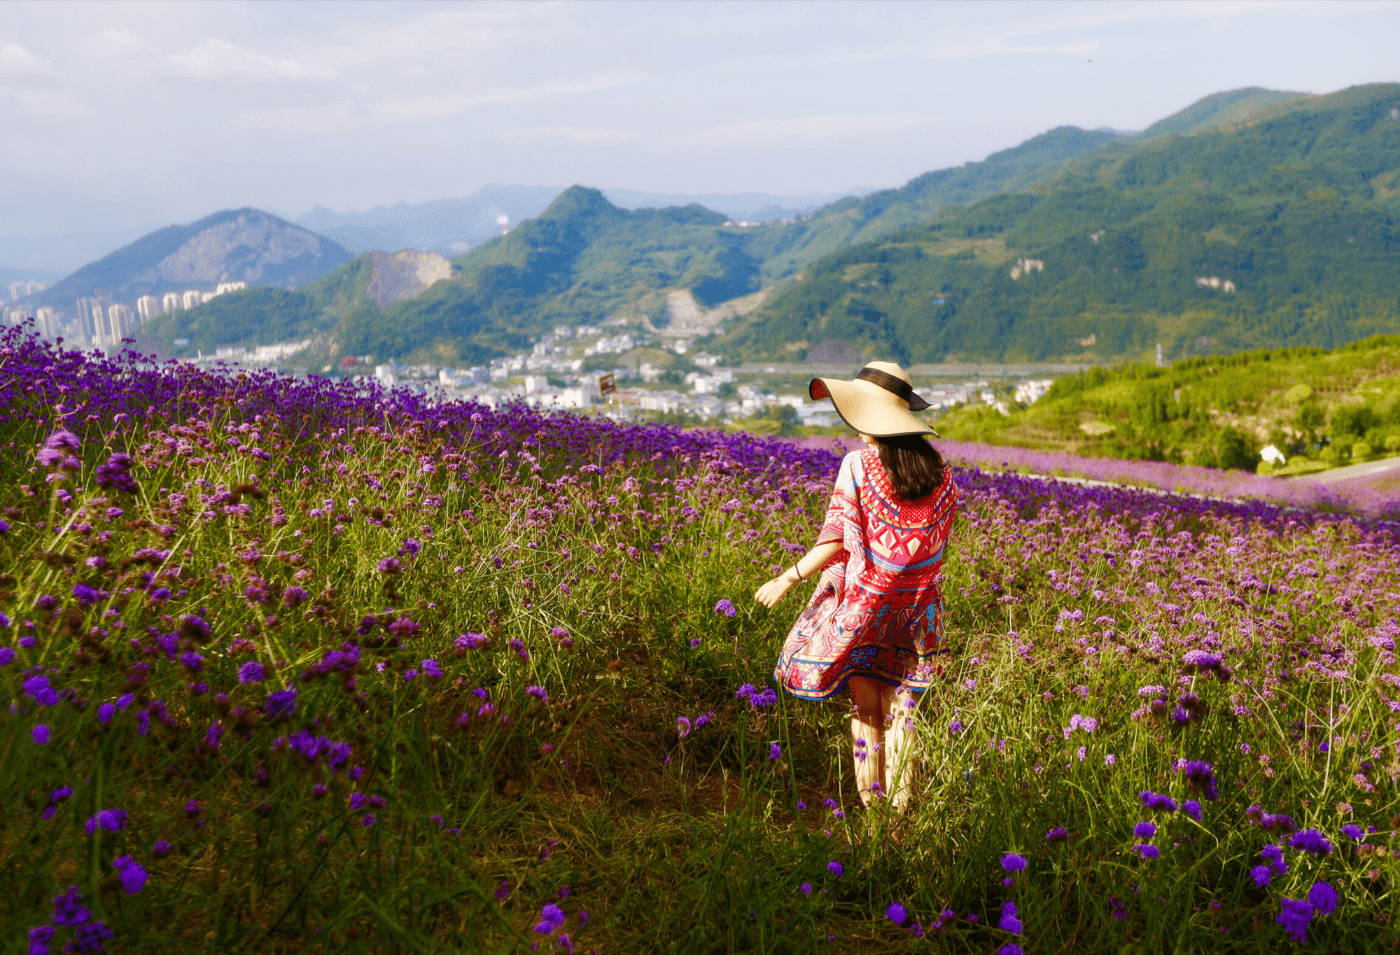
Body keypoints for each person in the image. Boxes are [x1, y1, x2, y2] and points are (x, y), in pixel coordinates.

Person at [755, 361, 958, 814]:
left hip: (864, 610)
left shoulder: (857, 465)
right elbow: (933, 548)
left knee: (867, 718)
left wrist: (789, 577)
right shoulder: (942, 474)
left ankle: (874, 829)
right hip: (920, 615)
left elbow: (833, 538)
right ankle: (907, 822)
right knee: (905, 718)